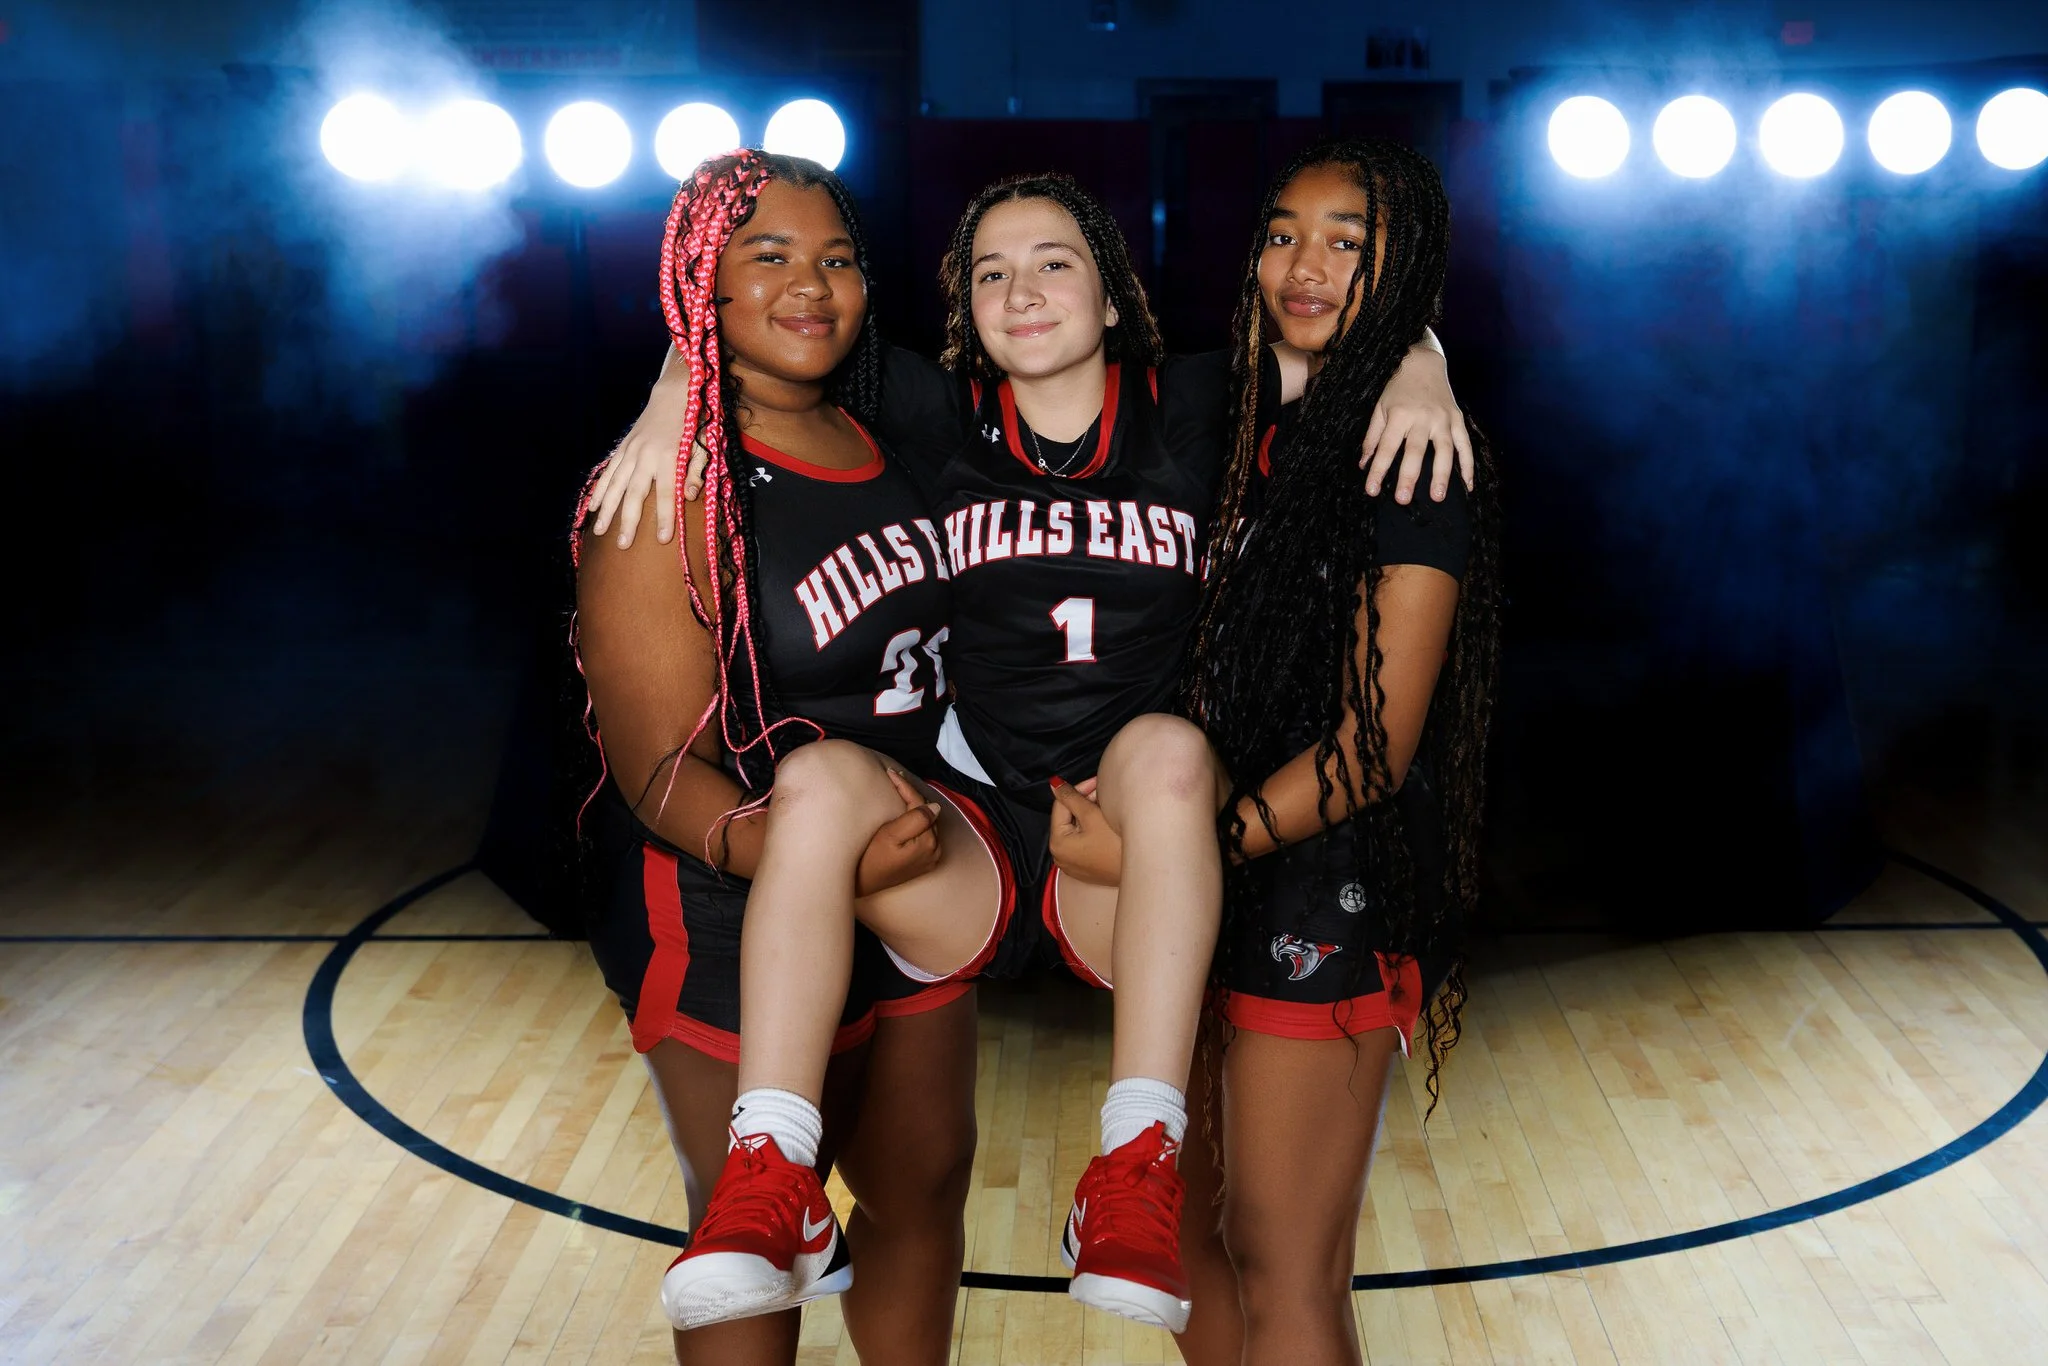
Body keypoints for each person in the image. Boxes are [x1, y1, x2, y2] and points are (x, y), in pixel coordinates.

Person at [589, 171, 1476, 1337]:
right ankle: (775, 1172)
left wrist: (1423, 354)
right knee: (815, 779)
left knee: (1163, 748)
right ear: (963, 311)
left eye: (1054, 260)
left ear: (1113, 298)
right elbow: (755, 325)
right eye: (990, 271)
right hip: (975, 851)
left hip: (1131, 859)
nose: (1023, 287)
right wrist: (671, 395)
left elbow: (1341, 346)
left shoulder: (1199, 403)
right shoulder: (933, 416)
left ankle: (1134, 1165)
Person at [573, 149, 975, 1366]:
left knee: (917, 1207)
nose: (813, 285)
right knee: (750, 1248)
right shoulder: (664, 487)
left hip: (907, 865)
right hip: (721, 895)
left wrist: (1417, 356)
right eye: (768, 257)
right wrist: (804, 862)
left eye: (837, 258)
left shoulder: (901, 422)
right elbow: (653, 768)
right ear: (705, 285)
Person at [1171, 138, 1502, 1366]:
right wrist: (683, 376)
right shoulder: (1215, 412)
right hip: (1199, 869)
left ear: (1403, 268)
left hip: (1326, 879)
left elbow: (1370, 748)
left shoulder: (1408, 454)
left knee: (1281, 1258)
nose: (1302, 266)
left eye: (1347, 244)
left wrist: (1192, 850)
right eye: (1280, 232)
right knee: (1189, 1243)